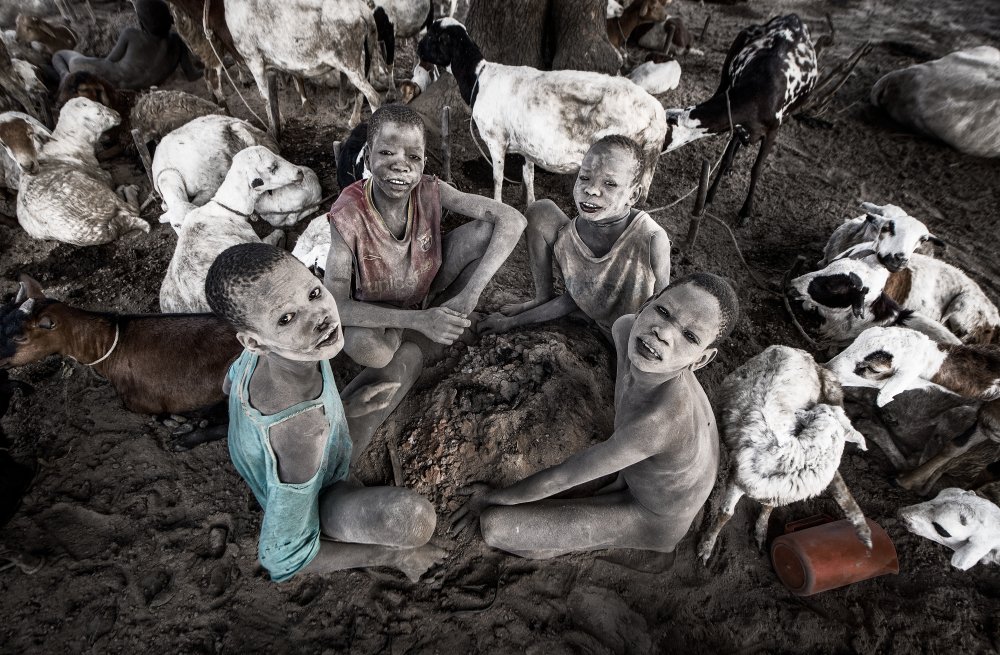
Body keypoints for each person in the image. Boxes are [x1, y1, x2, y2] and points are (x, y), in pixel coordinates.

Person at [452, 273, 738, 559]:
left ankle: (627, 535)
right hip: (655, 474)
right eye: (663, 311)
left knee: (495, 526)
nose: (663, 333)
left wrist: (492, 497)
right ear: (648, 302)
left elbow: (562, 478)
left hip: (654, 515)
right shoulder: (625, 329)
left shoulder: (660, 422)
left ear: (701, 359)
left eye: (689, 337)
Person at [206, 243, 443, 582]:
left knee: (407, 358)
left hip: (319, 438)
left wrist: (343, 409)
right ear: (254, 341)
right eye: (287, 318)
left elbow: (230, 386)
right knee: (413, 520)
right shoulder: (303, 436)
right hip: (319, 490)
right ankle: (394, 553)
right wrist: (392, 554)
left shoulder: (265, 355)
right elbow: (283, 559)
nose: (320, 317)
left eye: (314, 293)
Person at [324, 104, 527, 371]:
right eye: (386, 153)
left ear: (423, 162)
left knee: (488, 232)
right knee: (370, 351)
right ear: (368, 156)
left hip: (428, 289)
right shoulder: (347, 213)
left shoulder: (430, 189)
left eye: (413, 157)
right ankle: (419, 326)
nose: (401, 166)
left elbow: (513, 219)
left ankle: (442, 315)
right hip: (378, 308)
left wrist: (470, 295)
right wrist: (418, 321)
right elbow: (336, 304)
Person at [478, 135, 671, 342]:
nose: (591, 190)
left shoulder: (651, 239)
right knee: (541, 210)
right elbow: (577, 298)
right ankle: (542, 297)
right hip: (586, 307)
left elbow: (664, 312)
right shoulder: (575, 232)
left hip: (628, 333)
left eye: (610, 184)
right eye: (585, 177)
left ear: (632, 196)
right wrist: (509, 323)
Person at [52, 0, 199, 90]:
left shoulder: (131, 34)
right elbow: (192, 76)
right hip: (141, 86)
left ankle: (64, 76)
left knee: (60, 54)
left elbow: (110, 61)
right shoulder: (178, 42)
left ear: (142, 22)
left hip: (105, 77)